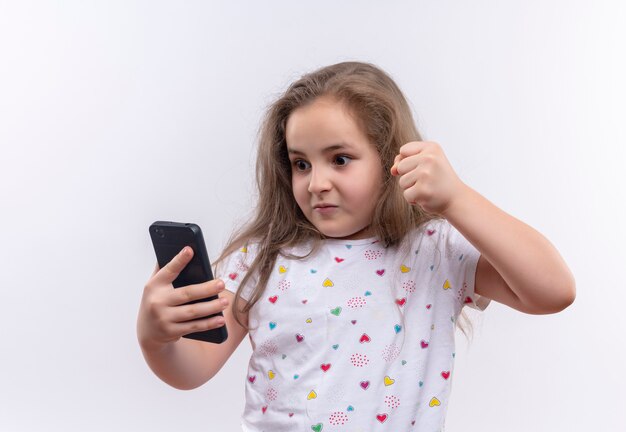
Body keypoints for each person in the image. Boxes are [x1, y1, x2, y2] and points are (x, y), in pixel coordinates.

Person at [137, 61, 575, 431]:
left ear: (392, 160)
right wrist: (155, 339)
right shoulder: (260, 259)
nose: (317, 183)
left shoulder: (433, 252)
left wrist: (458, 199)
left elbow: (553, 290)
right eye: (301, 164)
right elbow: (191, 368)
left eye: (340, 159)